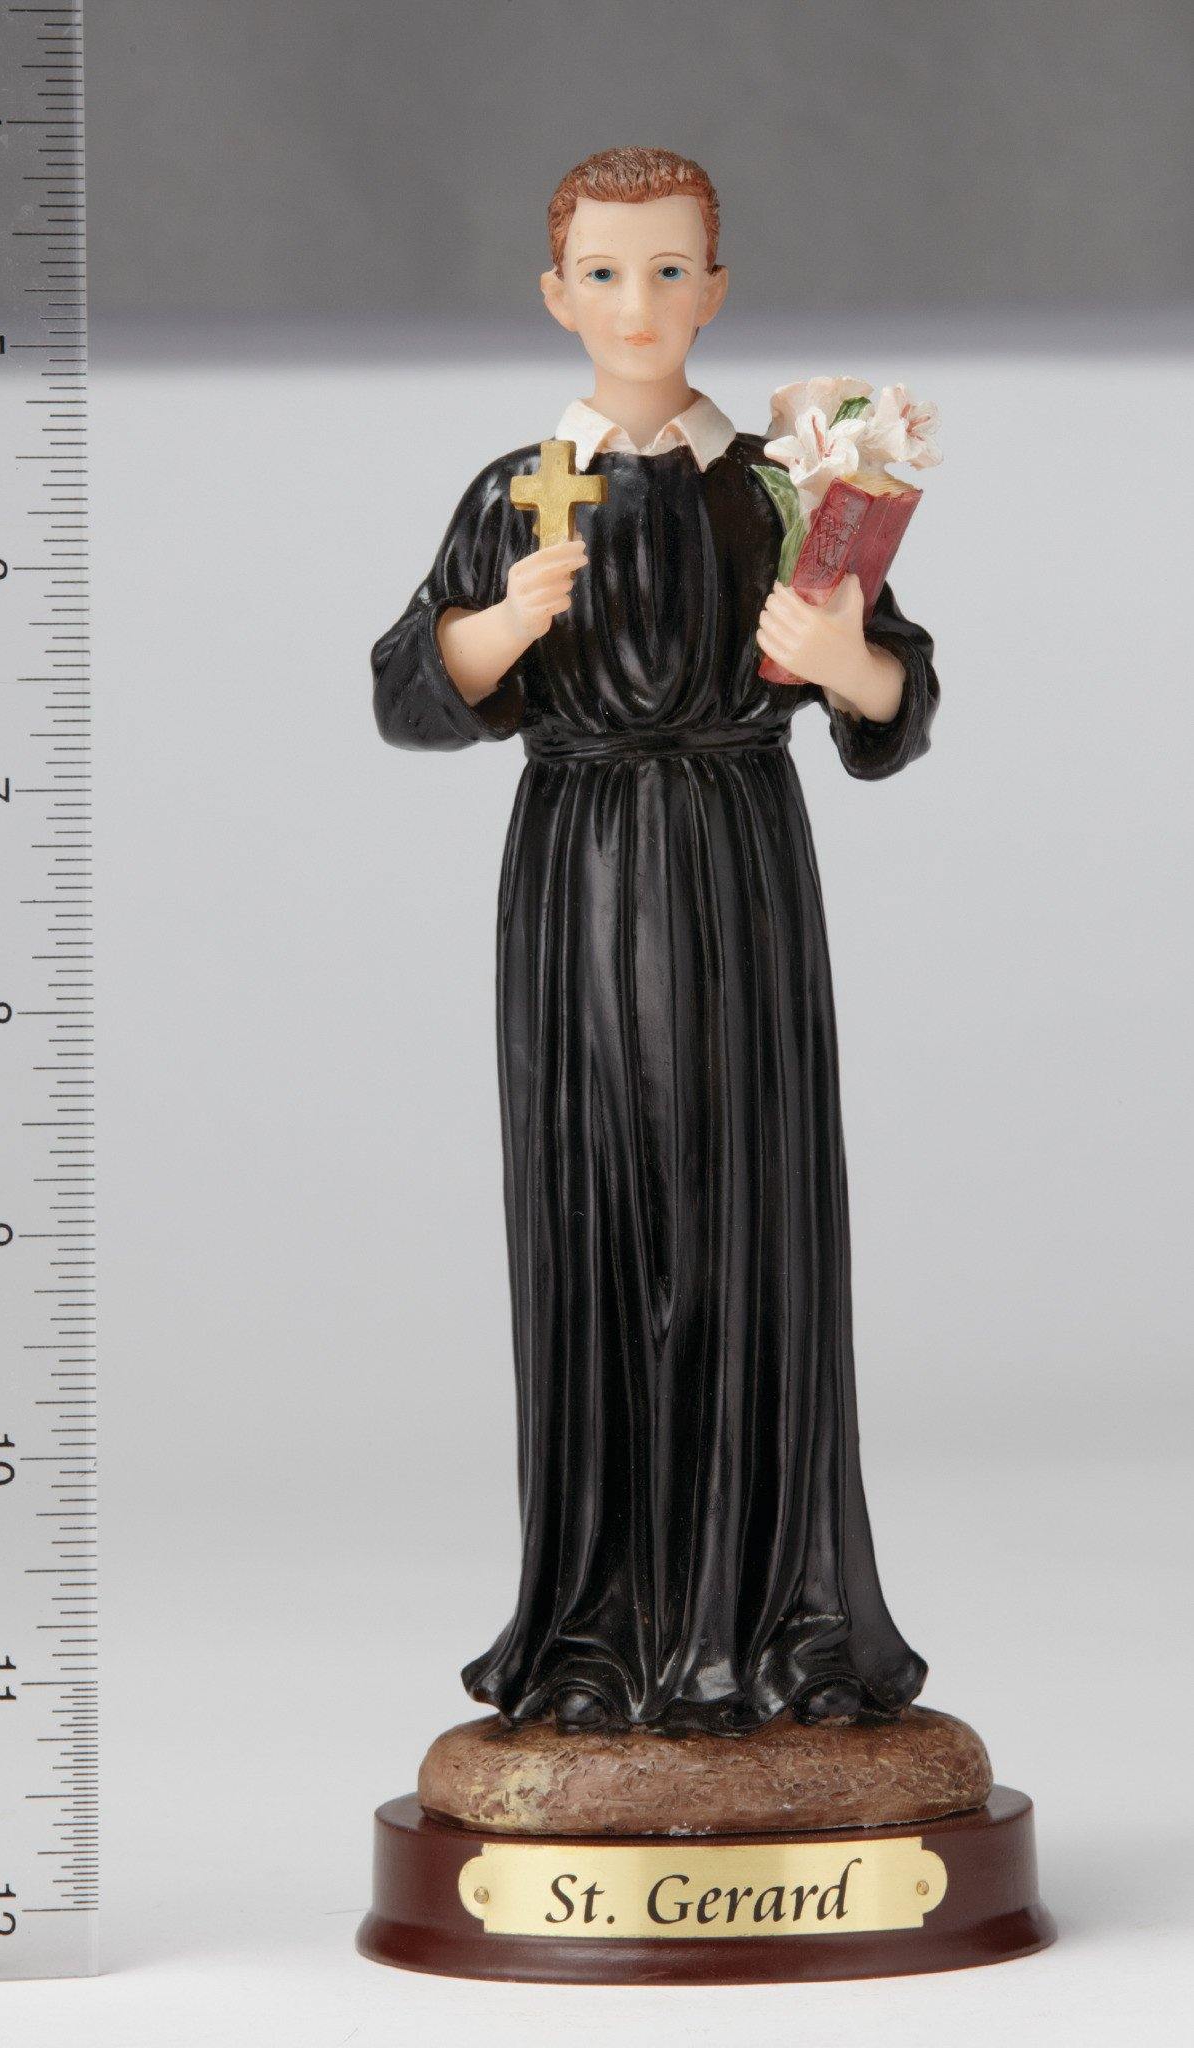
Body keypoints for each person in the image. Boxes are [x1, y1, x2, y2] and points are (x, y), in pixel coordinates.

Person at [371, 146, 939, 1734]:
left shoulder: (778, 487)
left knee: (751, 1218)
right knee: (597, 1216)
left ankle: (780, 1622)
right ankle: (599, 1627)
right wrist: (501, 624)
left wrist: (842, 658)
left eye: (672, 270)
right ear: (558, 295)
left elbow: (895, 700)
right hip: (579, 872)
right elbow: (409, 692)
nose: (641, 303)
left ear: (718, 289)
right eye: (608, 273)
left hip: (739, 872)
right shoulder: (516, 490)